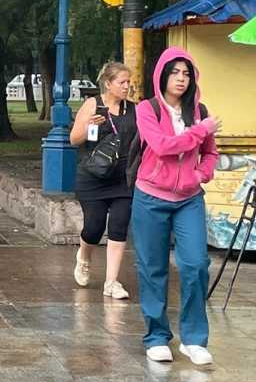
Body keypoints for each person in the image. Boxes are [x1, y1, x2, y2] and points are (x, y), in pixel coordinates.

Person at [132, 47, 220, 365]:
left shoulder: (200, 111)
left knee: (195, 265)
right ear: (162, 75)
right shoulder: (148, 109)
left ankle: (194, 339)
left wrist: (201, 173)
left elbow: (210, 153)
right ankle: (156, 337)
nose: (181, 79)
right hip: (150, 197)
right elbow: (162, 146)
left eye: (187, 73)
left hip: (189, 199)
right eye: (175, 72)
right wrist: (201, 131)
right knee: (152, 268)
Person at [69, 62, 137, 301]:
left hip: (123, 180)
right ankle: (84, 257)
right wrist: (89, 126)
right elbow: (74, 140)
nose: (127, 86)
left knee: (119, 225)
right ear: (108, 84)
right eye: (122, 82)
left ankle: (111, 282)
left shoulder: (134, 110)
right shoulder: (93, 105)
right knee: (94, 227)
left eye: (129, 82)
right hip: (93, 178)